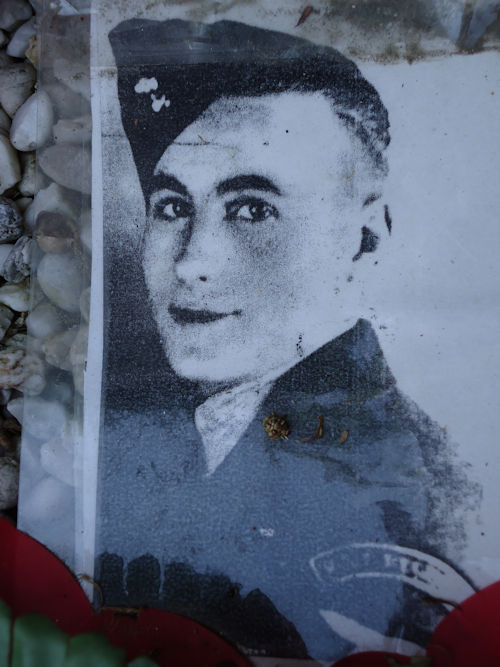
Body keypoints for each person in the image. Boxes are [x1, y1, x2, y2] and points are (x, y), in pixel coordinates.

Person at [95, 19, 478, 662]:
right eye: (171, 206)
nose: (191, 263)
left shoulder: (404, 487)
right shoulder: (165, 432)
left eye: (251, 208)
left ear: (364, 237)